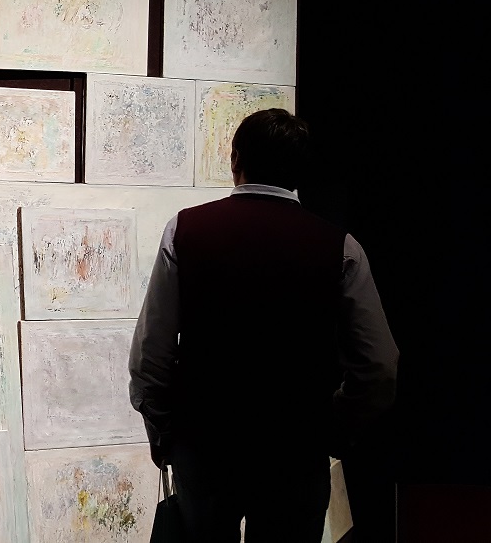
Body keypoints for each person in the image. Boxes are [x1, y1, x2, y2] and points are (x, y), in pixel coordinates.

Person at [128, 108, 399, 542]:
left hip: (205, 446)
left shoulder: (186, 230)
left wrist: (166, 432)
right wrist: (334, 428)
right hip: (296, 451)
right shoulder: (341, 248)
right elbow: (380, 366)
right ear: (300, 169)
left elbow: (150, 357)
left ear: (235, 158)